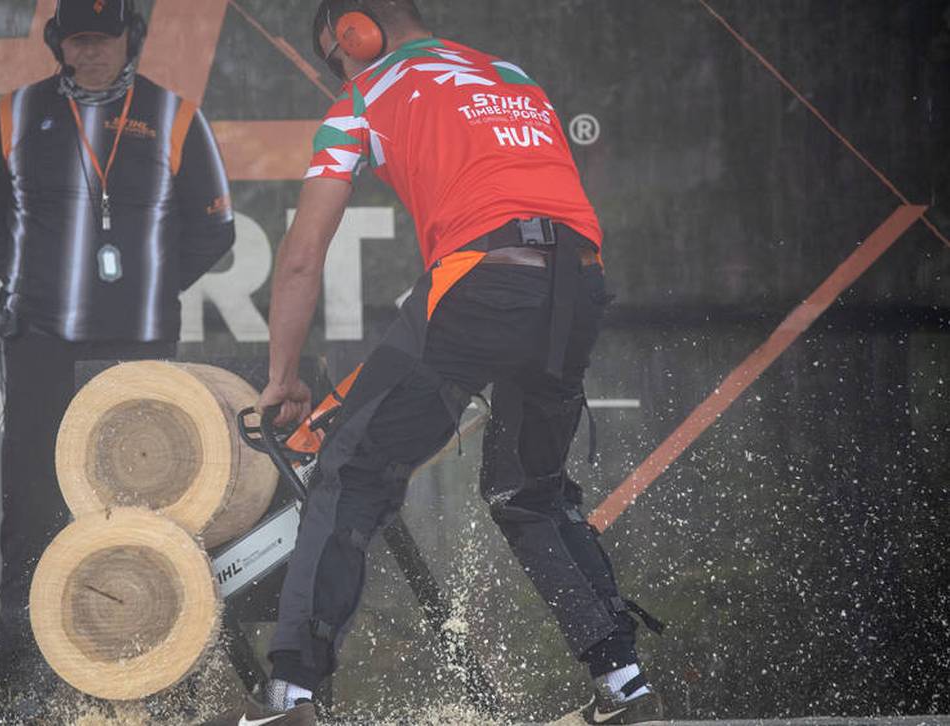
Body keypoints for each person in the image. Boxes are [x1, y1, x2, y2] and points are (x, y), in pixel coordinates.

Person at [201, 2, 664, 724]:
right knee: (530, 493)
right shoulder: (511, 76)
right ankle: (624, 685)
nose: (340, 72)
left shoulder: (362, 97)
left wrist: (282, 377)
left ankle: (290, 695)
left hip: (482, 277)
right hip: (577, 283)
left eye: (336, 57)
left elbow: (301, 257)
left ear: (355, 31)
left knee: (351, 473)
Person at [0, 0, 235, 717]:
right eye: (78, 41)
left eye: (104, 39)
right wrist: (27, 281)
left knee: (149, 512)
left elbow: (216, 228)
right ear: (58, 43)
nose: (91, 53)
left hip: (138, 348)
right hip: (40, 346)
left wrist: (150, 286)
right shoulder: (14, 114)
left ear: (130, 38)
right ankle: (24, 689)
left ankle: (159, 687)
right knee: (32, 512)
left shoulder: (175, 115)